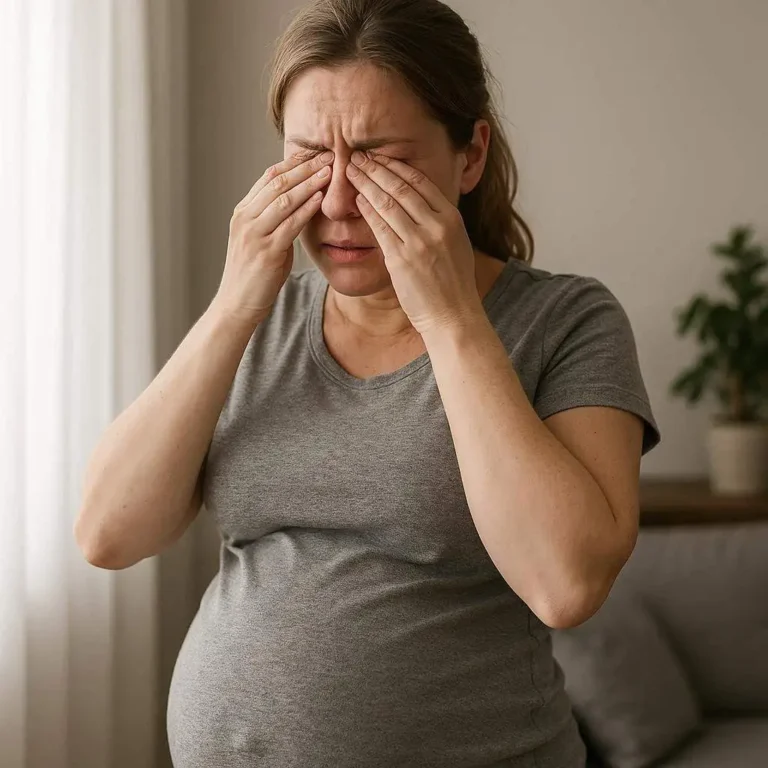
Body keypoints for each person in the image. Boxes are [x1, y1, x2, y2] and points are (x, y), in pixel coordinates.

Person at [75, 0, 661, 765]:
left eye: (383, 161)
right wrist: (232, 309)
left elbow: (566, 584)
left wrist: (450, 319)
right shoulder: (258, 322)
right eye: (313, 159)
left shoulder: (566, 319)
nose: (341, 202)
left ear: (470, 154)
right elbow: (108, 534)